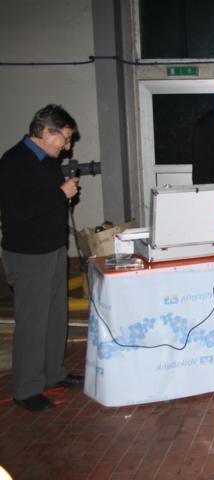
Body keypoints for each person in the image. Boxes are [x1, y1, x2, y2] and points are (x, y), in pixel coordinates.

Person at [0, 104, 85, 412]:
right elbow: (19, 211)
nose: (68, 146)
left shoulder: (48, 160)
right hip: (28, 255)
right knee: (32, 324)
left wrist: (63, 194)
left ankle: (53, 374)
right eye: (65, 138)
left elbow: (48, 200)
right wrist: (61, 194)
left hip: (53, 249)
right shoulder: (14, 162)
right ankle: (26, 389)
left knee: (55, 317)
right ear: (46, 132)